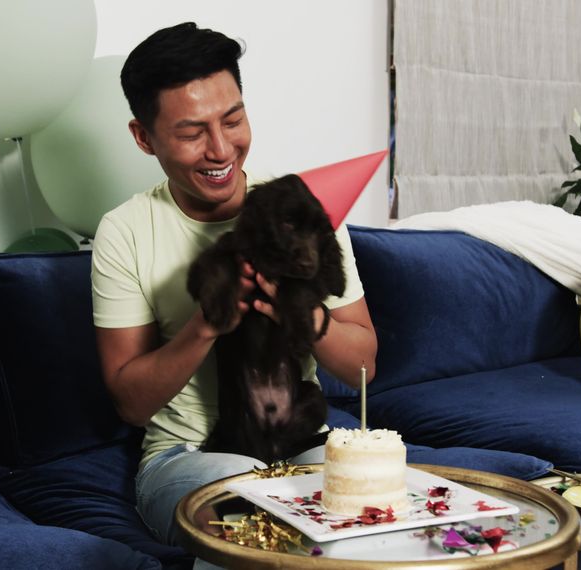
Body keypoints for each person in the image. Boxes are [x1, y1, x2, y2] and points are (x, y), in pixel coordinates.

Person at [91, 22, 378, 546]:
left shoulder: (303, 209)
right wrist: (205, 326)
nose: (221, 150)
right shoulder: (126, 231)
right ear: (143, 137)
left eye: (234, 120)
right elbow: (130, 404)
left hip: (302, 438)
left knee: (375, 517)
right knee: (255, 529)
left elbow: (364, 366)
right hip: (190, 455)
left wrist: (305, 317)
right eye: (191, 133)